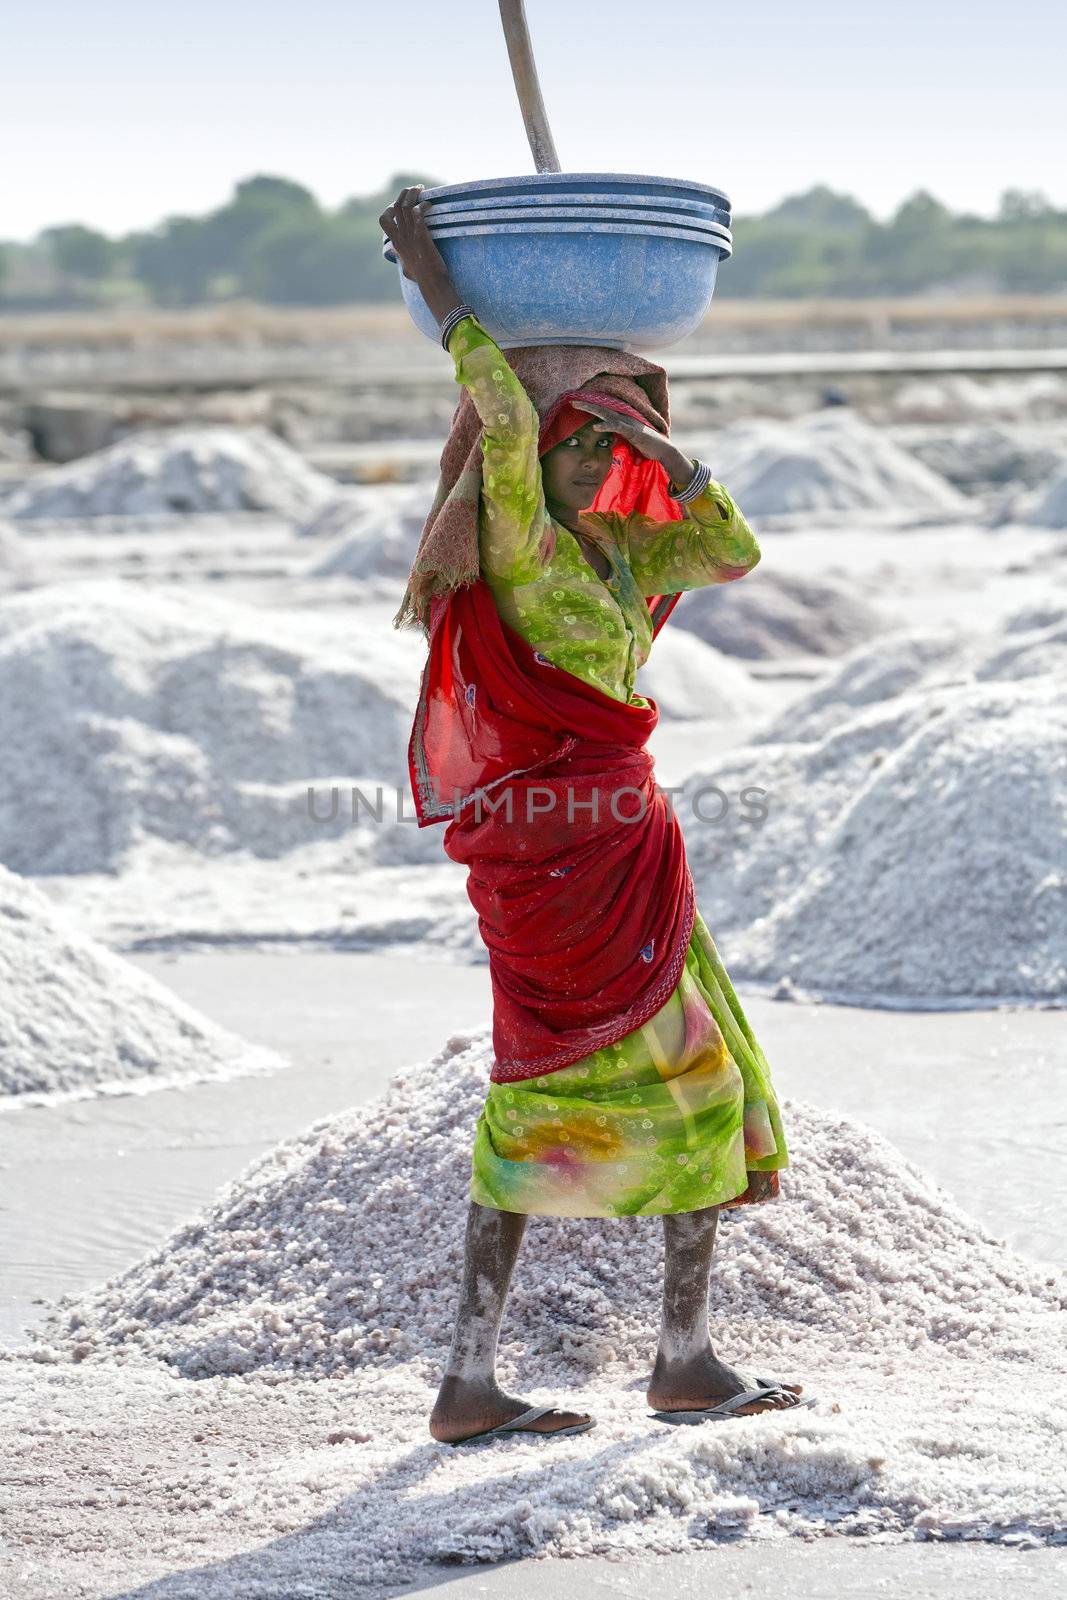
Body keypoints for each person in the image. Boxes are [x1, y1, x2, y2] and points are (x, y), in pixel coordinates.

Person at [380, 186, 810, 1446]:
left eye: (606, 447)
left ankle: (672, 1358)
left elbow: (730, 556)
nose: (587, 462)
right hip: (548, 856)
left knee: (704, 1083)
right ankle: (492, 1376)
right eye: (580, 442)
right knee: (541, 1091)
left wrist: (679, 464)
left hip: (627, 846)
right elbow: (499, 417)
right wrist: (439, 282)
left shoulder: (628, 554)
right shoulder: (518, 545)